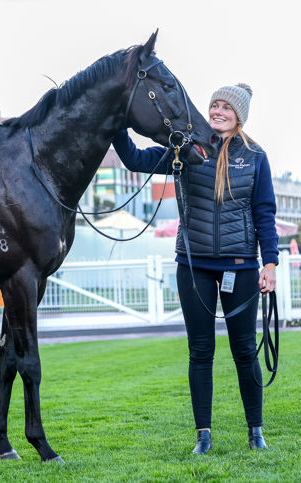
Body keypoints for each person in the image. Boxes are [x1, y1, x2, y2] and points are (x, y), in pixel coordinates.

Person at [112, 83, 278, 454]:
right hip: (193, 264)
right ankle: (203, 435)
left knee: (245, 350)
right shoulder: (185, 147)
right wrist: (117, 125)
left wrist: (270, 263)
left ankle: (256, 431)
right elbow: (136, 160)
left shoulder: (255, 156)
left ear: (239, 116)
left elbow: (264, 213)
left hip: (241, 266)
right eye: (214, 105)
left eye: (226, 108)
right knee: (200, 351)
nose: (218, 111)